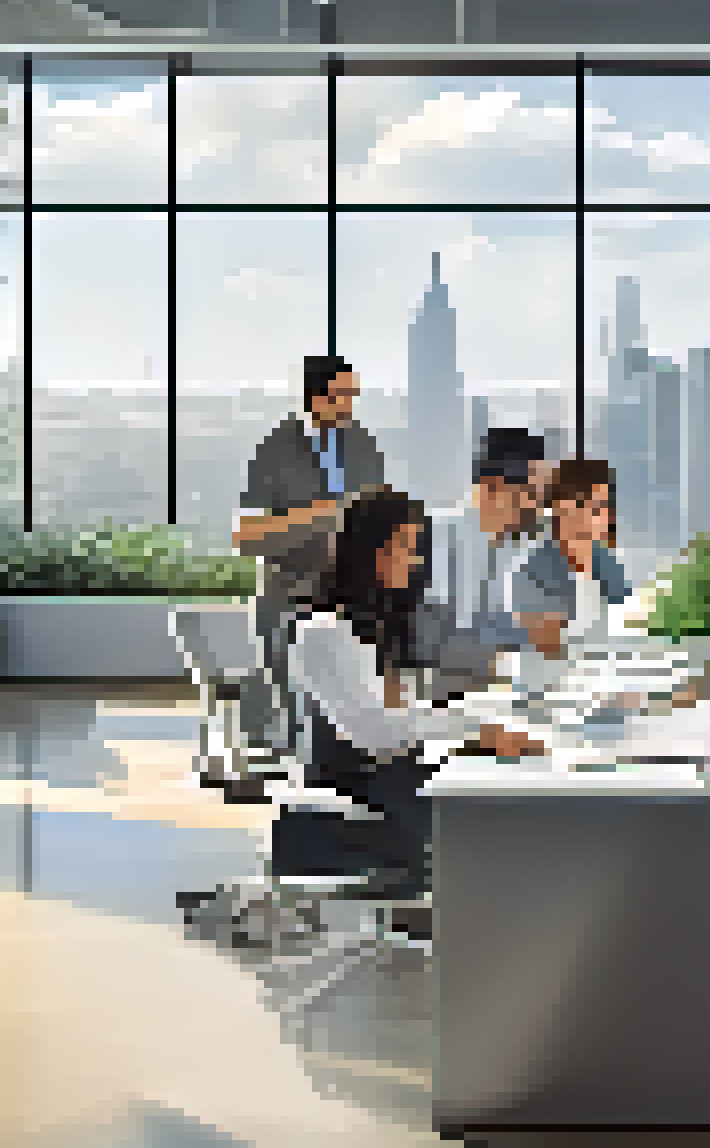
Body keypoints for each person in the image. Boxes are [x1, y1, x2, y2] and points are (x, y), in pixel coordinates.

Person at [272, 487, 542, 895]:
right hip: (354, 801)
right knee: (484, 825)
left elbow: (403, 713)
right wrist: (472, 734)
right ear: (373, 551)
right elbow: (378, 733)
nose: (413, 562)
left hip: (386, 781)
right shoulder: (325, 630)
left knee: (497, 801)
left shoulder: (370, 622)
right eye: (405, 547)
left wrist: (474, 731)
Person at [235, 356, 387, 760]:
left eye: (353, 395)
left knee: (354, 708)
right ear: (315, 398)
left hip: (351, 599)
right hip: (289, 598)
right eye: (342, 396)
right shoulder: (275, 450)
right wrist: (324, 513)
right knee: (298, 707)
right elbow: (247, 535)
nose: (350, 405)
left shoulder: (363, 445)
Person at [422, 428, 550, 695]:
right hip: (449, 700)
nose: (538, 503)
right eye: (529, 492)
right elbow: (444, 639)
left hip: (496, 693)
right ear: (491, 487)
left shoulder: (514, 546)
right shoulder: (440, 539)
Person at [512, 458, 632, 664]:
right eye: (578, 505)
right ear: (555, 509)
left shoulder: (607, 562)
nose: (587, 518)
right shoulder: (533, 571)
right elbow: (545, 652)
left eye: (597, 509)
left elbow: (629, 625)